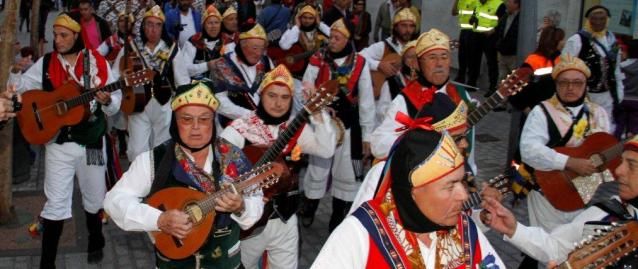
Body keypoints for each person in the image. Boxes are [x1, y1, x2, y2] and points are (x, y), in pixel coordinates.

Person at [104, 81, 263, 268]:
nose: (195, 127)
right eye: (186, 119)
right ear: (174, 122)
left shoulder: (233, 158)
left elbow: (256, 204)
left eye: (204, 119)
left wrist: (241, 207)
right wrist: (158, 219)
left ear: (213, 121)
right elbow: (113, 201)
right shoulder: (154, 160)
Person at [8, 13, 122, 267]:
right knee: (56, 201)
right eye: (55, 35)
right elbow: (22, 90)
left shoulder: (96, 62)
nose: (57, 40)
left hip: (91, 141)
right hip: (59, 143)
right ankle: (47, 262)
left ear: (76, 37)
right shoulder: (47, 63)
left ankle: (95, 240)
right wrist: (15, 74)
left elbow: (116, 103)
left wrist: (108, 101)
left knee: (94, 197)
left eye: (63, 35)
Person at [312, 127, 506, 269]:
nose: (463, 195)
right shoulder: (360, 234)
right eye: (450, 186)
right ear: (414, 192)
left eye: (461, 182)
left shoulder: (464, 230)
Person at [220, 65, 336, 269]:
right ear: (261, 95)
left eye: (285, 97)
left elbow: (326, 150)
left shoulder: (294, 128)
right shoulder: (239, 129)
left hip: (285, 219)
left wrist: (319, 115)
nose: (278, 103)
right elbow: (220, 176)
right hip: (249, 223)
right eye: (272, 95)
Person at [482, 134, 638, 268]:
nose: (618, 171)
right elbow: (557, 248)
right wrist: (514, 229)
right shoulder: (607, 214)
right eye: (622, 162)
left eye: (631, 165)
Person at [519, 54, 611, 233]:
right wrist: (570, 162)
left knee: (575, 243)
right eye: (564, 82)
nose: (570, 87)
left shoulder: (598, 114)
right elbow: (529, 151)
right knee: (550, 246)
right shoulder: (542, 111)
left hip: (582, 191)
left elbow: (605, 152)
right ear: (556, 84)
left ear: (585, 85)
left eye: (577, 83)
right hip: (547, 192)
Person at [299, 18, 375, 231]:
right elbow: (305, 88)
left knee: (346, 171)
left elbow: (367, 101)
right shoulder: (318, 58)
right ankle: (310, 205)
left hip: (349, 124)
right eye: (331, 36)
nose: (332, 41)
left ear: (348, 40)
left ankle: (338, 214)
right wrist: (319, 108)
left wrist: (367, 136)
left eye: (337, 38)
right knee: (317, 167)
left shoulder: (360, 63)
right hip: (322, 121)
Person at [369, 29, 477, 175]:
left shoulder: (461, 95)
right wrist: (415, 141)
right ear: (418, 64)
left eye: (444, 57)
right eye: (432, 57)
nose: (439, 63)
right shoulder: (405, 100)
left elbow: (469, 144)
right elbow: (378, 144)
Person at [112, 5, 179, 161]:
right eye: (149, 24)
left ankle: (159, 183)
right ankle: (138, 182)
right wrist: (123, 75)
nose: (153, 29)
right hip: (139, 105)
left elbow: (182, 80)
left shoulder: (172, 49)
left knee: (162, 148)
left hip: (164, 106)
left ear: (163, 28)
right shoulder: (131, 47)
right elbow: (114, 74)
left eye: (158, 25)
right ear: (143, 26)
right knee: (137, 151)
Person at [562, 5, 624, 128]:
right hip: (585, 94)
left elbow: (616, 70)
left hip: (608, 95)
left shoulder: (612, 42)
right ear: (588, 20)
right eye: (594, 18)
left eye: (602, 19)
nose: (598, 22)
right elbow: (564, 68)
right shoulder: (578, 40)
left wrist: (619, 92)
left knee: (605, 128)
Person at [209, 23, 273, 127]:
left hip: (266, 126)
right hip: (233, 127)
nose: (259, 53)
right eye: (255, 48)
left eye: (262, 49)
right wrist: (250, 116)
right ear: (241, 45)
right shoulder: (222, 64)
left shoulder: (266, 61)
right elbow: (218, 101)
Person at [360, 7, 417, 89]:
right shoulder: (383, 46)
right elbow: (358, 58)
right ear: (395, 27)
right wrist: (378, 65)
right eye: (404, 25)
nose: (408, 30)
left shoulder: (416, 48)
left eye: (411, 26)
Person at [174, 5, 224, 85]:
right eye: (210, 23)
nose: (213, 26)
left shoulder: (226, 42)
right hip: (198, 91)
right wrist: (207, 65)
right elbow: (184, 69)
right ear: (203, 25)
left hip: (223, 91)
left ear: (221, 25)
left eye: (216, 22)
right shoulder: (193, 42)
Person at [278, 5, 330, 79]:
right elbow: (284, 45)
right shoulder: (295, 31)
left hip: (316, 76)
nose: (307, 21)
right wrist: (297, 26)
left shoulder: (320, 30)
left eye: (310, 18)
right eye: (304, 17)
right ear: (300, 18)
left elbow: (335, 37)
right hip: (297, 76)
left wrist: (320, 24)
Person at [467, 0, 505, 96]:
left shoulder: (498, 4)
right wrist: (472, 19)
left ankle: (492, 88)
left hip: (490, 37)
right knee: (474, 59)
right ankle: (471, 83)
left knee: (491, 62)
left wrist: (494, 30)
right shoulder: (477, 3)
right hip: (477, 34)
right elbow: (475, 15)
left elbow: (503, 21)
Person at [374, 40, 417, 124]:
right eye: (410, 57)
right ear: (403, 60)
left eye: (417, 57)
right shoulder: (391, 82)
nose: (414, 61)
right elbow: (382, 112)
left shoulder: (427, 82)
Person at [493, 0, 519, 97]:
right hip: (502, 52)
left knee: (513, 80)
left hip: (513, 54)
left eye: (509, 1)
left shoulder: (521, 18)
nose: (506, 3)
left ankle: (511, 102)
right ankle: (500, 102)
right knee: (502, 78)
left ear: (516, 4)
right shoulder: (506, 16)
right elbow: (499, 30)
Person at [452, 0, 478, 84]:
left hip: (472, 31)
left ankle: (471, 81)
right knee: (462, 56)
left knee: (472, 57)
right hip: (463, 30)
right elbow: (454, 12)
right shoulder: (461, 1)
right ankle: (461, 77)